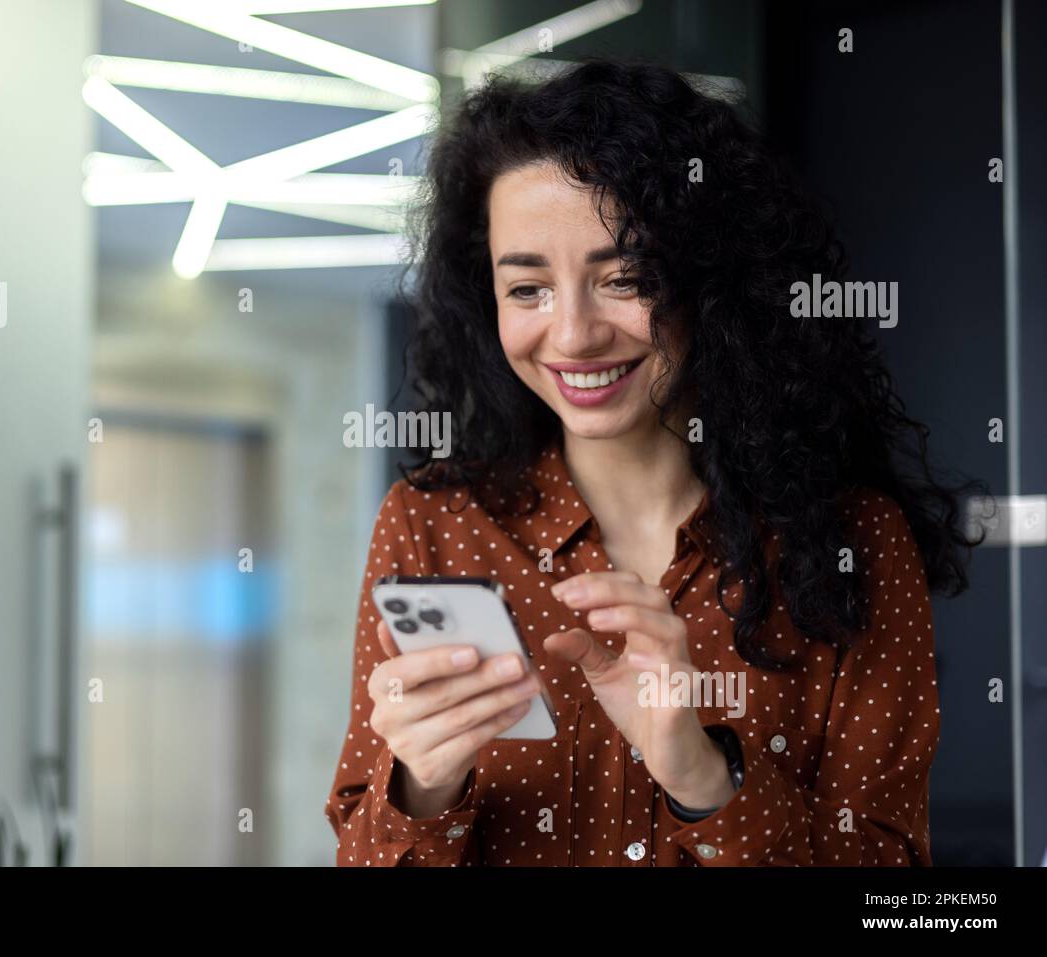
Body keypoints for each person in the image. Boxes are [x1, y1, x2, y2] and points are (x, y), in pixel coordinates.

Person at [325, 58, 980, 866]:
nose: (572, 335)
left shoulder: (860, 543)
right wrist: (423, 788)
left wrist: (703, 774)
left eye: (624, 277)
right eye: (527, 289)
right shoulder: (431, 526)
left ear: (714, 282)